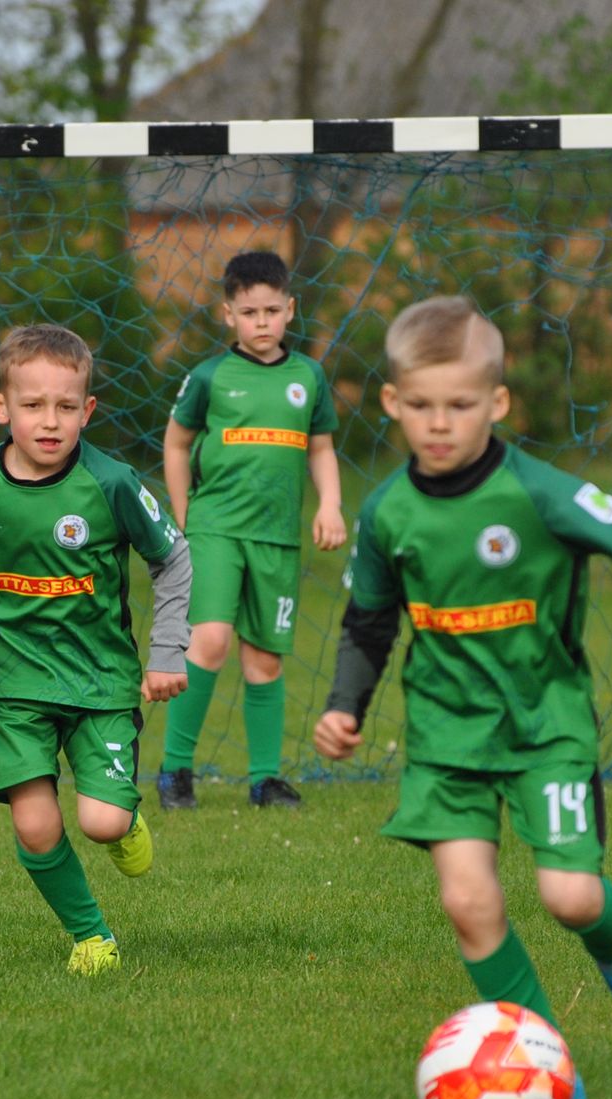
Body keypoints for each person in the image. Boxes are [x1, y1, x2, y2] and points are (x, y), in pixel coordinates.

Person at [313, 296, 612, 1099]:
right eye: (420, 406)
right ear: (391, 403)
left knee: (570, 896)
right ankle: (543, 1062)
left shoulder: (541, 492)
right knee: (467, 899)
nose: (439, 424)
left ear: (497, 403)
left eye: (459, 406)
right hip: (445, 734)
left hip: (545, 722)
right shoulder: (387, 512)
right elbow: (369, 621)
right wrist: (346, 704)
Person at [0, 325, 191, 975]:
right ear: (1, 407)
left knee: (99, 822)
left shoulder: (112, 482)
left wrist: (167, 651)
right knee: (36, 824)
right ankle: (91, 935)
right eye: (34, 405)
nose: (50, 421)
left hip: (100, 678)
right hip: (13, 682)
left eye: (66, 407)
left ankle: (123, 818)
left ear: (87, 410)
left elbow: (173, 558)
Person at [155, 251, 344, 810]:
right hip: (216, 529)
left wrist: (330, 504)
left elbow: (323, 448)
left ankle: (264, 780)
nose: (261, 322)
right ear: (227, 314)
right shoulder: (210, 376)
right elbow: (176, 442)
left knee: (264, 657)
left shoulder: (307, 377)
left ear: (291, 308)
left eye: (271, 310)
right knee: (210, 640)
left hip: (277, 537)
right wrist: (184, 515)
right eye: (248, 312)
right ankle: (174, 773)